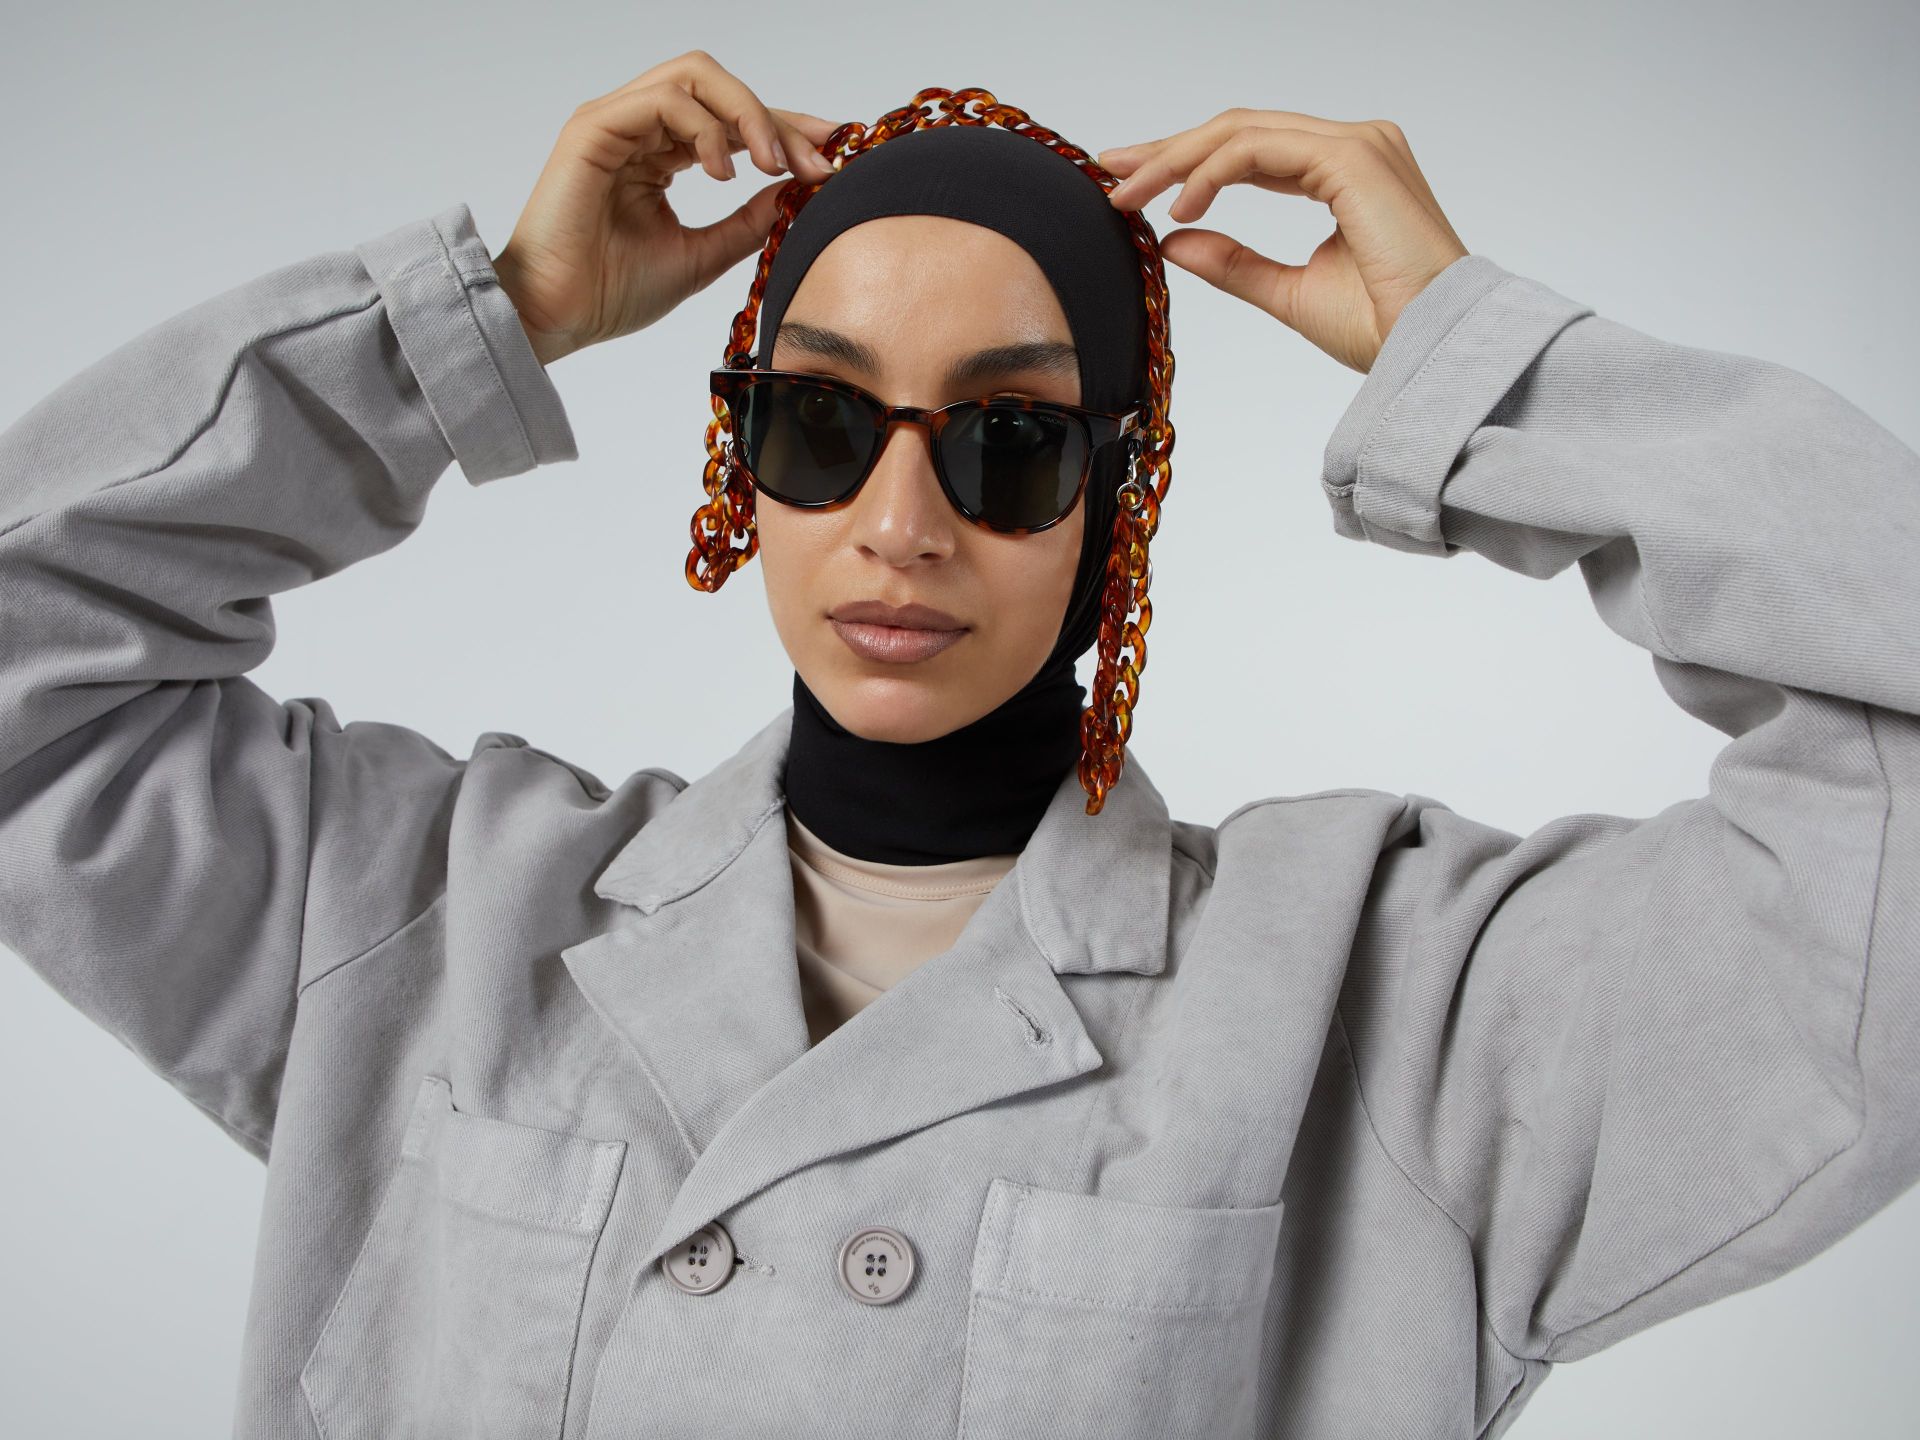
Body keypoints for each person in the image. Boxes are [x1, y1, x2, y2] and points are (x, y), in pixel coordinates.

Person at [1, 47, 1915, 1440]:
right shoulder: (426, 916)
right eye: (823, 426)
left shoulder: (1386, 1009)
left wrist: (1479, 369)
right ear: (744, 461)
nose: (899, 528)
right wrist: (488, 317)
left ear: (1116, 498)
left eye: (1008, 442)